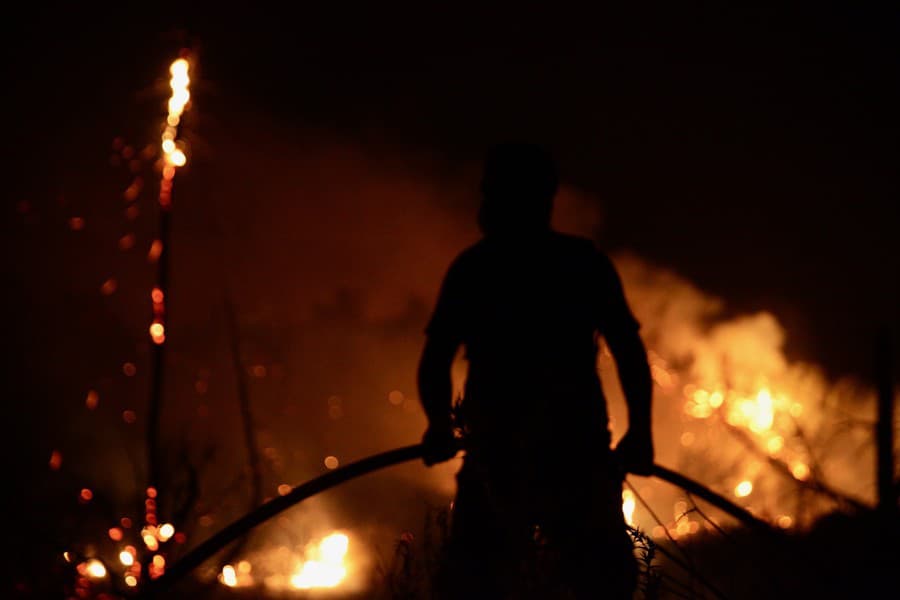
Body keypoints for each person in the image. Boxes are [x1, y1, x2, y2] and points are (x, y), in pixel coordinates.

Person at [417, 142, 654, 599]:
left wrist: (439, 427)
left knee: (477, 585)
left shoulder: (476, 268)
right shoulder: (581, 264)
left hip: (513, 458)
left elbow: (436, 359)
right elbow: (628, 351)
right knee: (597, 583)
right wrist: (639, 432)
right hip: (565, 456)